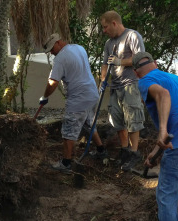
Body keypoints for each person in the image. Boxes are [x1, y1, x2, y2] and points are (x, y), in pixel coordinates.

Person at [39, 33, 105, 173]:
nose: (51, 53)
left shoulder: (60, 59)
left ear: (58, 42)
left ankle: (66, 163)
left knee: (69, 130)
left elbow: (52, 82)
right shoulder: (79, 48)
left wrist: (45, 96)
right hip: (92, 94)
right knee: (89, 123)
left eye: (52, 49)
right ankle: (101, 150)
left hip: (78, 99)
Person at [133, 51, 178, 221]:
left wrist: (162, 131)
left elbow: (163, 95)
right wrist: (156, 151)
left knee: (166, 198)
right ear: (155, 63)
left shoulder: (145, 81)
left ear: (135, 72)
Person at [100, 10, 145, 171]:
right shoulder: (109, 44)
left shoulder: (132, 36)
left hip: (131, 84)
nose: (104, 31)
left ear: (114, 23)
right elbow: (105, 64)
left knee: (133, 120)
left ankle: (134, 153)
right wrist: (103, 79)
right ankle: (125, 151)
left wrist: (121, 61)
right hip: (116, 86)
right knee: (118, 121)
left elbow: (140, 58)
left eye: (105, 27)